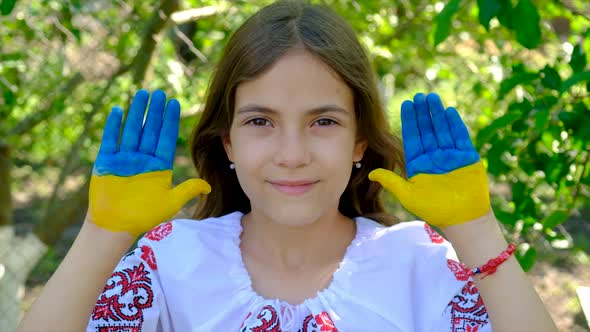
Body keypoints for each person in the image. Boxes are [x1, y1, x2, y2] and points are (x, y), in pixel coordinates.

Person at [18, 1, 557, 331]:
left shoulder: (419, 263)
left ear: (359, 142)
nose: (292, 153)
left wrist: (477, 230)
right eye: (260, 122)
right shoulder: (170, 261)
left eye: (323, 122)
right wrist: (100, 235)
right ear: (226, 142)